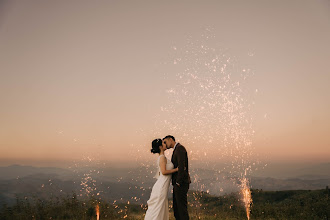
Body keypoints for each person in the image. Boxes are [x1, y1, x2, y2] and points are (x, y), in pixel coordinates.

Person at [145, 138, 178, 220]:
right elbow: (163, 172)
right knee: (158, 208)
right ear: (160, 147)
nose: (165, 144)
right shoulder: (162, 157)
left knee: (160, 208)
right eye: (163, 143)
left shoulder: (162, 157)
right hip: (161, 187)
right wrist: (177, 169)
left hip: (162, 185)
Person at [163, 135, 191, 220]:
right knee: (177, 209)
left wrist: (178, 183)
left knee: (181, 210)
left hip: (181, 184)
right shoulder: (177, 149)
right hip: (177, 184)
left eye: (165, 142)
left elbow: (181, 167)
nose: (165, 144)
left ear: (170, 140)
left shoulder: (180, 148)